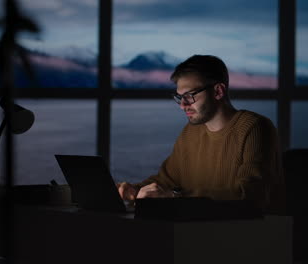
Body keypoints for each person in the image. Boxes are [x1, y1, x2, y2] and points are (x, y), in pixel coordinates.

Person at [117, 54, 285, 212]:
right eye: (179, 97)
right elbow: (166, 181)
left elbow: (250, 196)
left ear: (218, 91)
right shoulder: (191, 132)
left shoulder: (255, 128)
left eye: (189, 96)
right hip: (200, 232)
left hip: (252, 236)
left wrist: (176, 198)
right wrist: (134, 190)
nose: (183, 105)